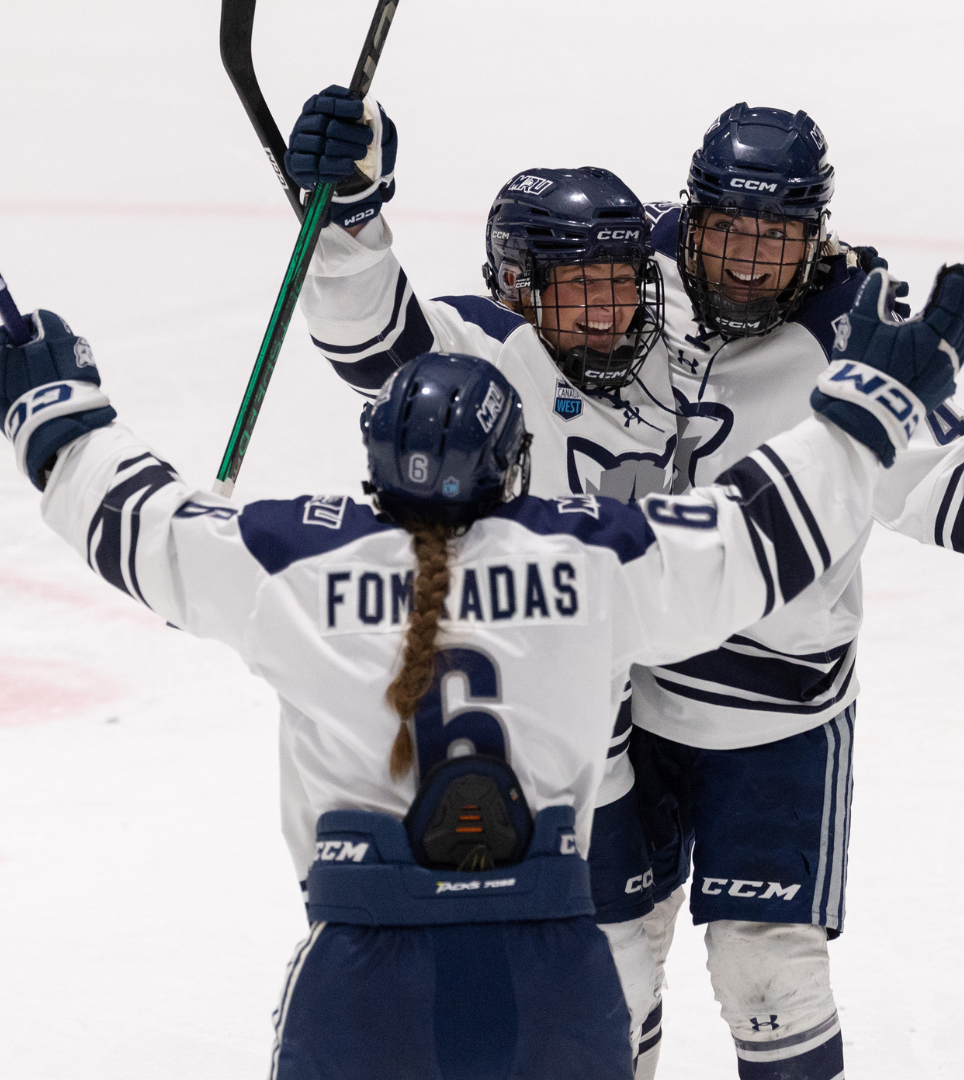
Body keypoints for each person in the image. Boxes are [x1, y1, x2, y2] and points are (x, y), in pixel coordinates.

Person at [0, 240, 964, 1077]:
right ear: (511, 465)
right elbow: (761, 535)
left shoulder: (290, 562)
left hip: (363, 971)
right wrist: (869, 409)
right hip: (552, 967)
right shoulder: (592, 557)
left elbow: (132, 522)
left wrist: (56, 414)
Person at [622, 104, 964, 1080]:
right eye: (729, 230)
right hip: (620, 697)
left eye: (777, 237)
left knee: (769, 974)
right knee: (610, 961)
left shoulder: (852, 328)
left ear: (817, 239)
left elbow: (934, 456)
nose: (749, 262)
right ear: (693, 216)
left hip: (778, 718)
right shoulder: (627, 274)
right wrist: (351, 213)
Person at [285, 86, 695, 1064]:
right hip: (552, 719)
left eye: (621, 285)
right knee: (576, 955)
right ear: (514, 285)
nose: (606, 312)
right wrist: (351, 213)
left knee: (646, 946)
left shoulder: (672, 347)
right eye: (576, 289)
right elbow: (368, 336)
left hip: (683, 685)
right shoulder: (485, 350)